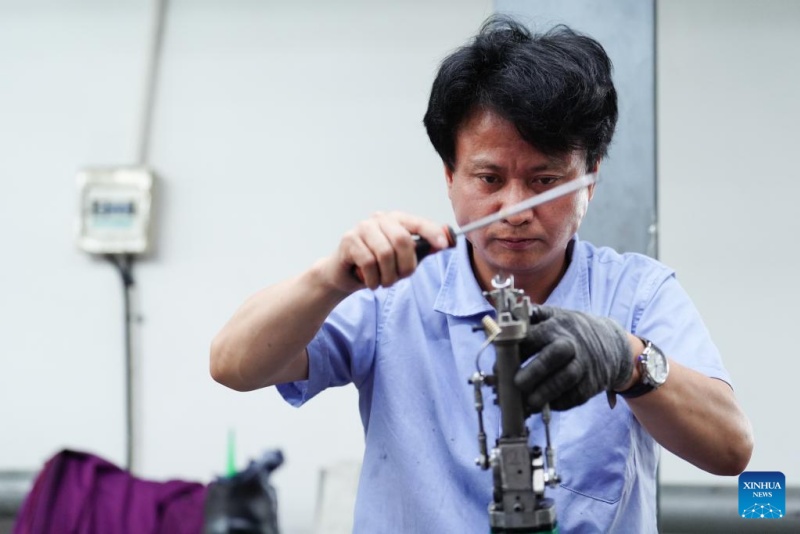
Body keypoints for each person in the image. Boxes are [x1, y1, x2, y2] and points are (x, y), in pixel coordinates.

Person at [210, 16, 753, 533]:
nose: (515, 208)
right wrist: (329, 278)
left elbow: (730, 448)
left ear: (590, 180)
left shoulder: (637, 293)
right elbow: (232, 363)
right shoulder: (393, 294)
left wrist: (629, 361)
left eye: (545, 181)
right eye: (489, 178)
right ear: (449, 174)